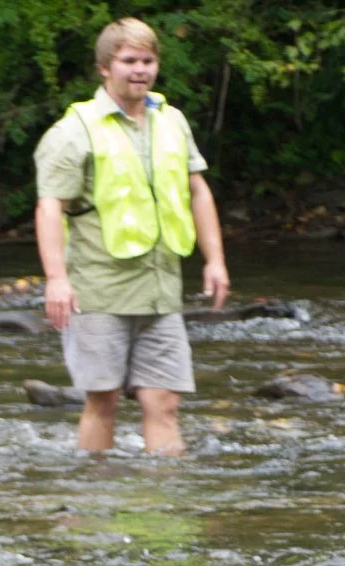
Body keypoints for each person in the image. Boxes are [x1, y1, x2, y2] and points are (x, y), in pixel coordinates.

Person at [33, 18, 229, 457]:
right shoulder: (74, 131)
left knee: (165, 400)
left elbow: (198, 190)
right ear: (105, 67)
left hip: (161, 290)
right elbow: (50, 207)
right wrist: (56, 279)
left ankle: (163, 501)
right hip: (99, 290)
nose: (140, 70)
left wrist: (214, 260)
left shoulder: (172, 121)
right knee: (102, 400)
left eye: (148, 60)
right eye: (128, 61)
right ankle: (97, 494)